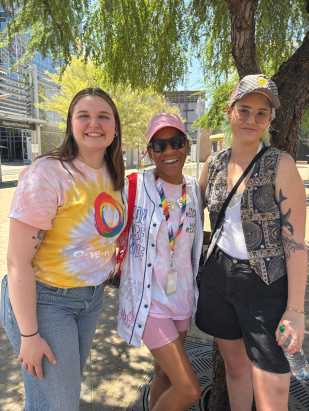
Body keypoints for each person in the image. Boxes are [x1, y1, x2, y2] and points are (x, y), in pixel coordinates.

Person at [0, 88, 125, 410]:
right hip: (44, 301)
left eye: (103, 116)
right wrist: (29, 336)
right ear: (71, 125)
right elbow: (16, 262)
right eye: (84, 116)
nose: (94, 123)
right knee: (57, 404)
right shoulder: (48, 173)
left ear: (114, 127)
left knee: (60, 396)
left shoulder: (113, 175)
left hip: (91, 299)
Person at [196, 74, 307, 411]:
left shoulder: (281, 165)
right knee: (235, 367)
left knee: (272, 388)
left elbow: (297, 245)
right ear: (230, 111)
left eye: (262, 113)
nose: (252, 119)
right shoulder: (214, 163)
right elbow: (188, 210)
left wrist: (295, 310)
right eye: (244, 110)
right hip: (217, 276)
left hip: (266, 285)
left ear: (270, 119)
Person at [117, 113, 204, 411]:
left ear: (187, 145)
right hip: (150, 303)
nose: (169, 151)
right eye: (160, 145)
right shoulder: (134, 187)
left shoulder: (193, 189)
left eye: (176, 142)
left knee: (164, 373)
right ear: (149, 151)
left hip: (181, 301)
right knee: (190, 389)